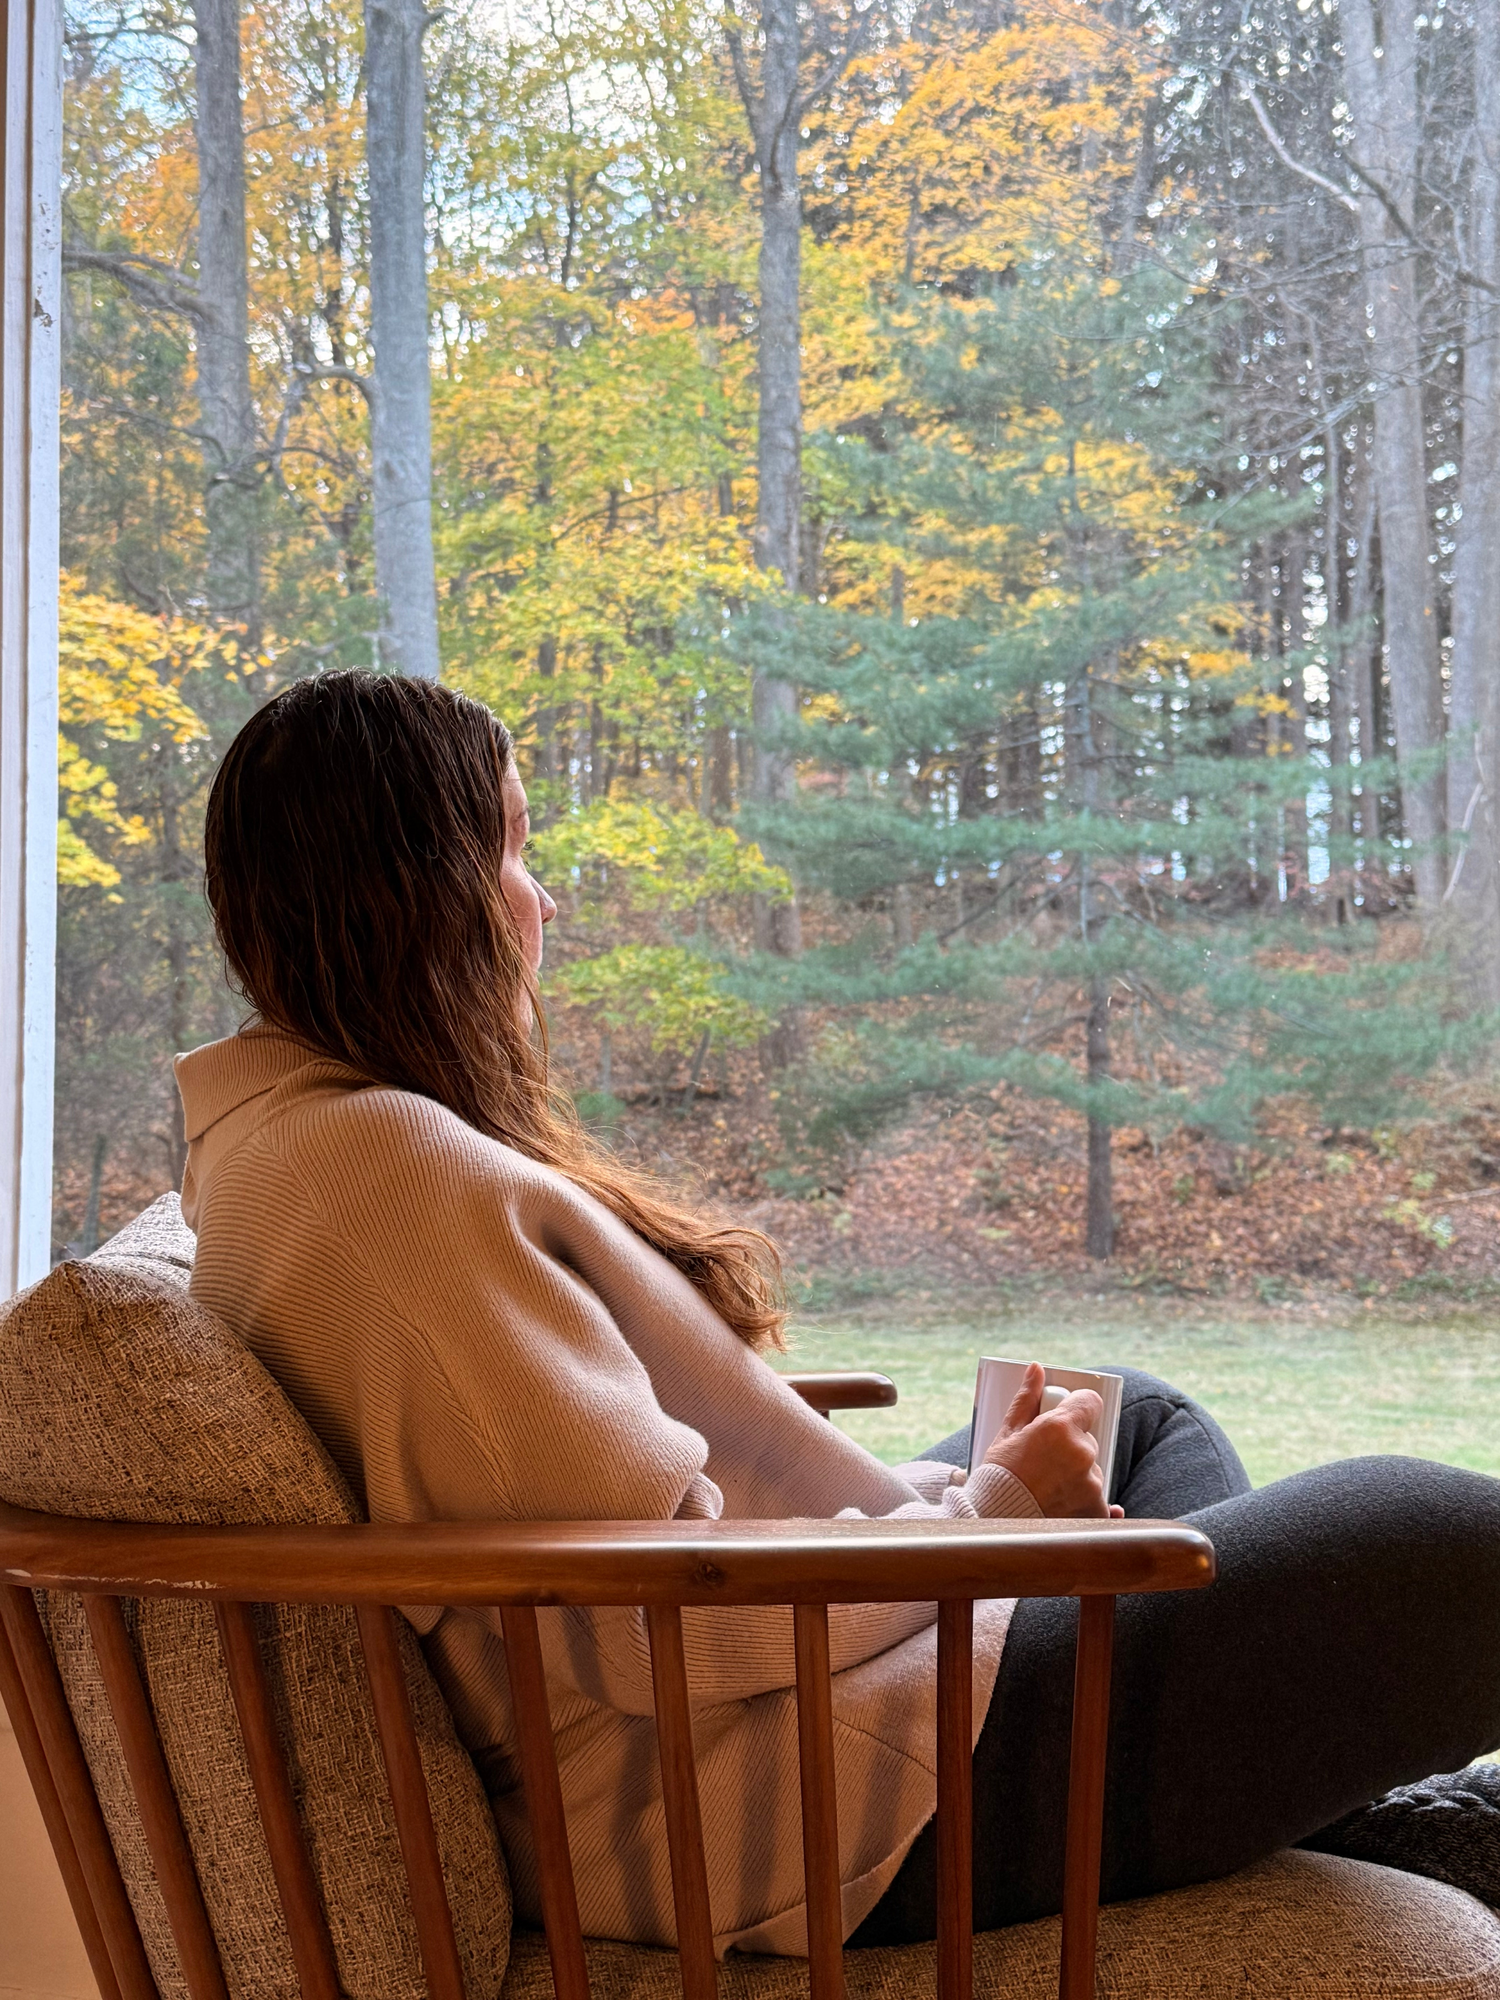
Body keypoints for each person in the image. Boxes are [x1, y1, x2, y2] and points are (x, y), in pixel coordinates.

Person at [178, 669, 1500, 1958]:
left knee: (1130, 1411)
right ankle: (1378, 1830)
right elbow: (659, 1624)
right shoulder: (381, 1176)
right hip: (785, 1803)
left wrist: (971, 1520)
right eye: (515, 851)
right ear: (420, 892)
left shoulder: (292, 1149)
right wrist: (987, 1523)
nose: (546, 899)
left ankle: (1332, 1825)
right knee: (1455, 1547)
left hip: (785, 1713)